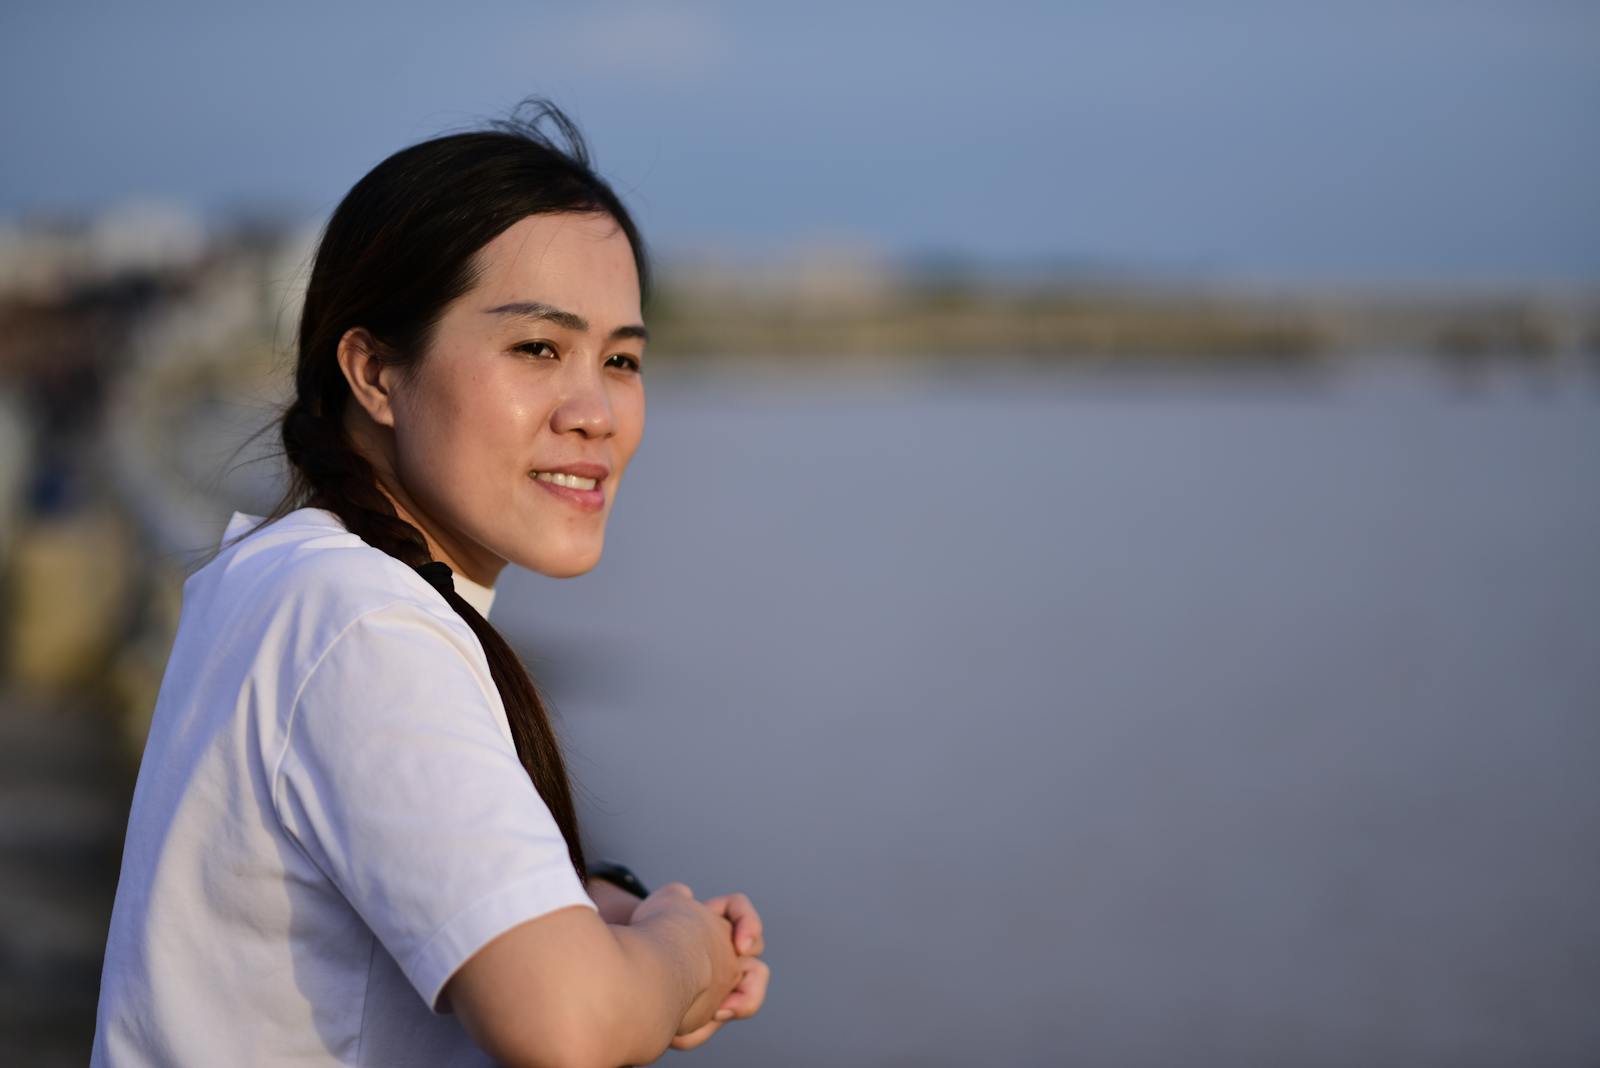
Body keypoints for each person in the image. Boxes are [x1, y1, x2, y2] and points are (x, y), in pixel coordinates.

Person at [92, 101, 769, 1066]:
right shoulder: (362, 622)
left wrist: (602, 905)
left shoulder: (280, 577)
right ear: (373, 372)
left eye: (621, 359)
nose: (596, 411)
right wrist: (685, 953)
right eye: (538, 347)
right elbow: (566, 1022)